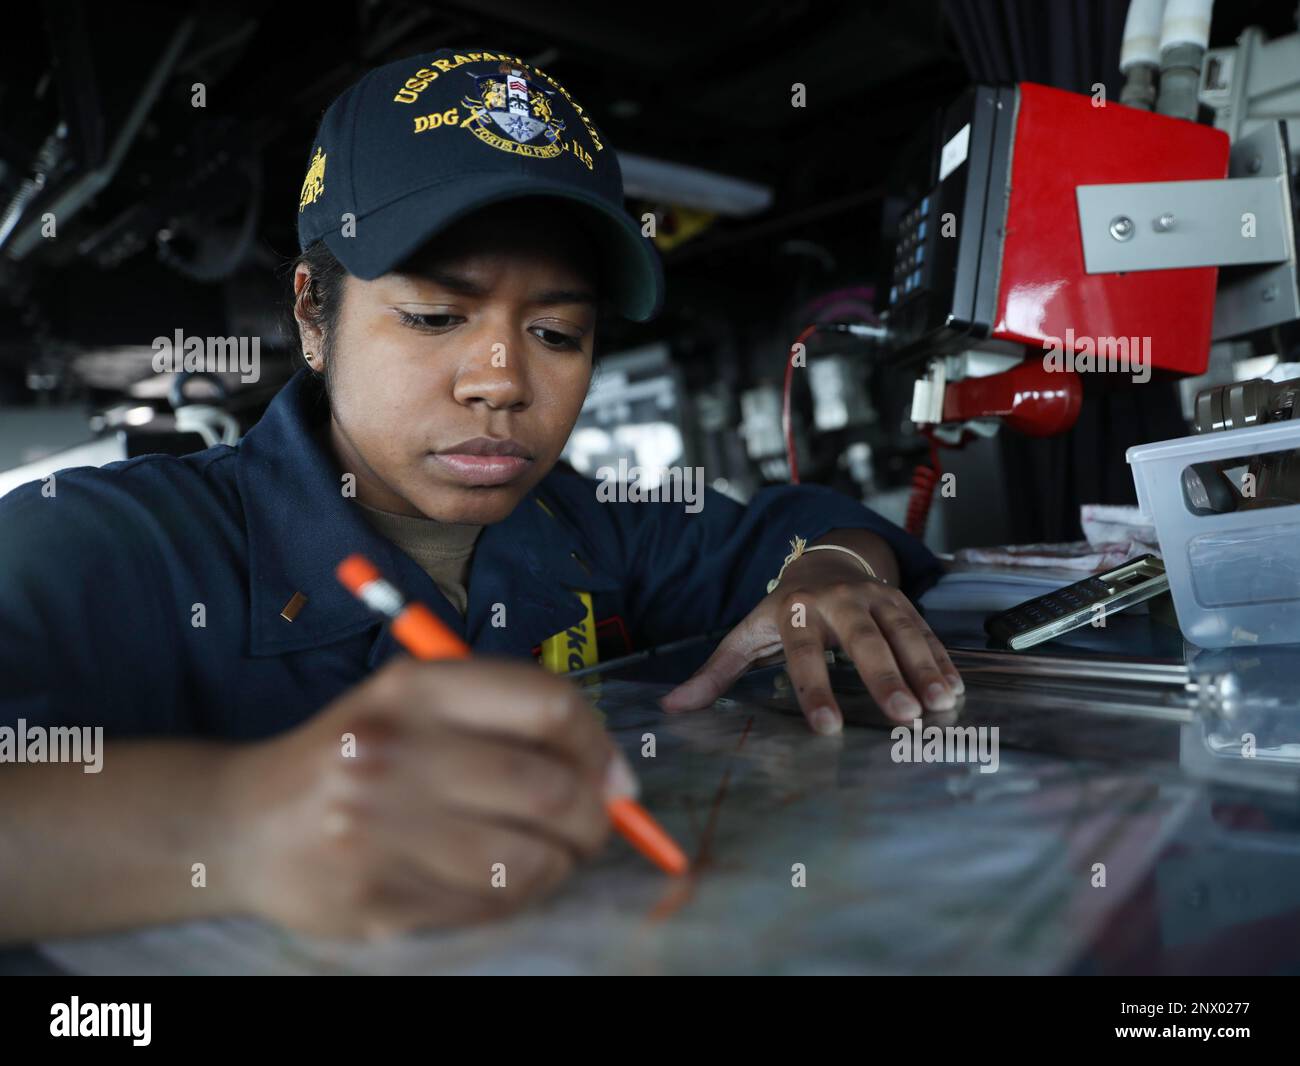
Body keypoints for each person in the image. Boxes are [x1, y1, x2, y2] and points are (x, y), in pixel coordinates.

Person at [0, 48, 960, 941]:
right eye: (434, 316)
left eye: (556, 334)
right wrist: (237, 825)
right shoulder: (101, 544)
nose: (501, 379)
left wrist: (832, 570)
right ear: (311, 313)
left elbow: (799, 534)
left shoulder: (587, 524)